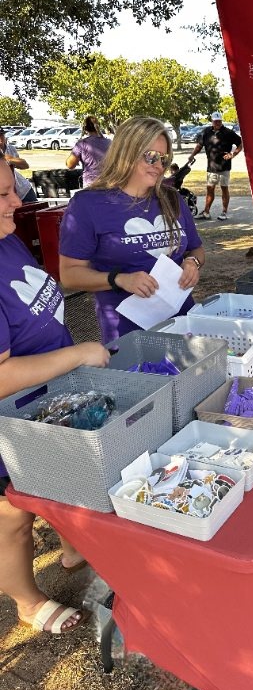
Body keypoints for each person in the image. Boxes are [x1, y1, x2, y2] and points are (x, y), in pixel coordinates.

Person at [0, 156, 110, 633]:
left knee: (59, 479)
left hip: (45, 405)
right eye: (2, 195)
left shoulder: (7, 241)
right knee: (12, 519)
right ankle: (26, 601)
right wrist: (79, 354)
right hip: (9, 422)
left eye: (12, 189)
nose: (17, 202)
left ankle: (70, 550)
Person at [58, 116, 206, 343]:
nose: (159, 166)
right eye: (151, 157)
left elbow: (196, 249)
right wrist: (119, 279)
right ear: (126, 152)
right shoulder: (88, 204)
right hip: (129, 333)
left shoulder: (172, 198)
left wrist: (192, 263)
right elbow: (69, 275)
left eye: (164, 159)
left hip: (182, 323)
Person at [187, 112, 242, 221]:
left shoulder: (228, 133)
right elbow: (199, 145)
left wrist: (233, 154)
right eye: (215, 121)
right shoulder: (206, 131)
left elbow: (240, 144)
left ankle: (224, 212)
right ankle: (206, 212)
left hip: (224, 167)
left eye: (219, 121)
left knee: (224, 189)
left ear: (221, 121)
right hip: (211, 167)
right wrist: (192, 155)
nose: (217, 123)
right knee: (210, 189)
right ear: (212, 121)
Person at [65, 115, 111, 188]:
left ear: (85, 128)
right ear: (98, 126)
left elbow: (70, 165)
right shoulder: (110, 143)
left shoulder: (81, 144)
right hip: (108, 184)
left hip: (90, 185)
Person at [0, 128, 36, 203]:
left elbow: (25, 165)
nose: (0, 138)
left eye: (1, 135)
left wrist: (9, 159)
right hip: (6, 194)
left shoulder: (10, 148)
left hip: (23, 189)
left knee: (35, 210)